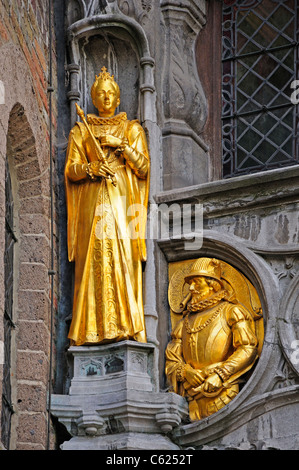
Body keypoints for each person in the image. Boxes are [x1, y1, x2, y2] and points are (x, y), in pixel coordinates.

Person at [65, 67, 150, 346]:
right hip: (92, 202)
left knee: (123, 257)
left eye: (110, 93)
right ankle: (89, 330)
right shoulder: (81, 130)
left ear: (118, 98)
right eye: (100, 93)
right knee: (93, 258)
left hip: (123, 203)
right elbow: (71, 170)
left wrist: (121, 145)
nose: (105, 98)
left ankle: (126, 325)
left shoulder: (132, 129)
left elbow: (143, 166)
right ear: (93, 97)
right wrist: (91, 168)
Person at [165, 257, 259, 420]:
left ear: (213, 284)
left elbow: (247, 349)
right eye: (190, 284)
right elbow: (172, 360)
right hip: (191, 403)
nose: (192, 288)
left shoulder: (232, 312)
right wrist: (186, 373)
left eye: (197, 282)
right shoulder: (183, 323)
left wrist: (221, 374)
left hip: (224, 395)